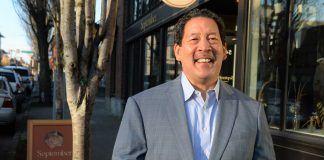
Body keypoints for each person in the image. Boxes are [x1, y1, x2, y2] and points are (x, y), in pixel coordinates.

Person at [112, 8, 275, 160]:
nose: (204, 47)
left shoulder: (252, 112)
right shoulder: (142, 107)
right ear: (177, 51)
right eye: (194, 39)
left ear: (225, 50)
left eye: (212, 38)